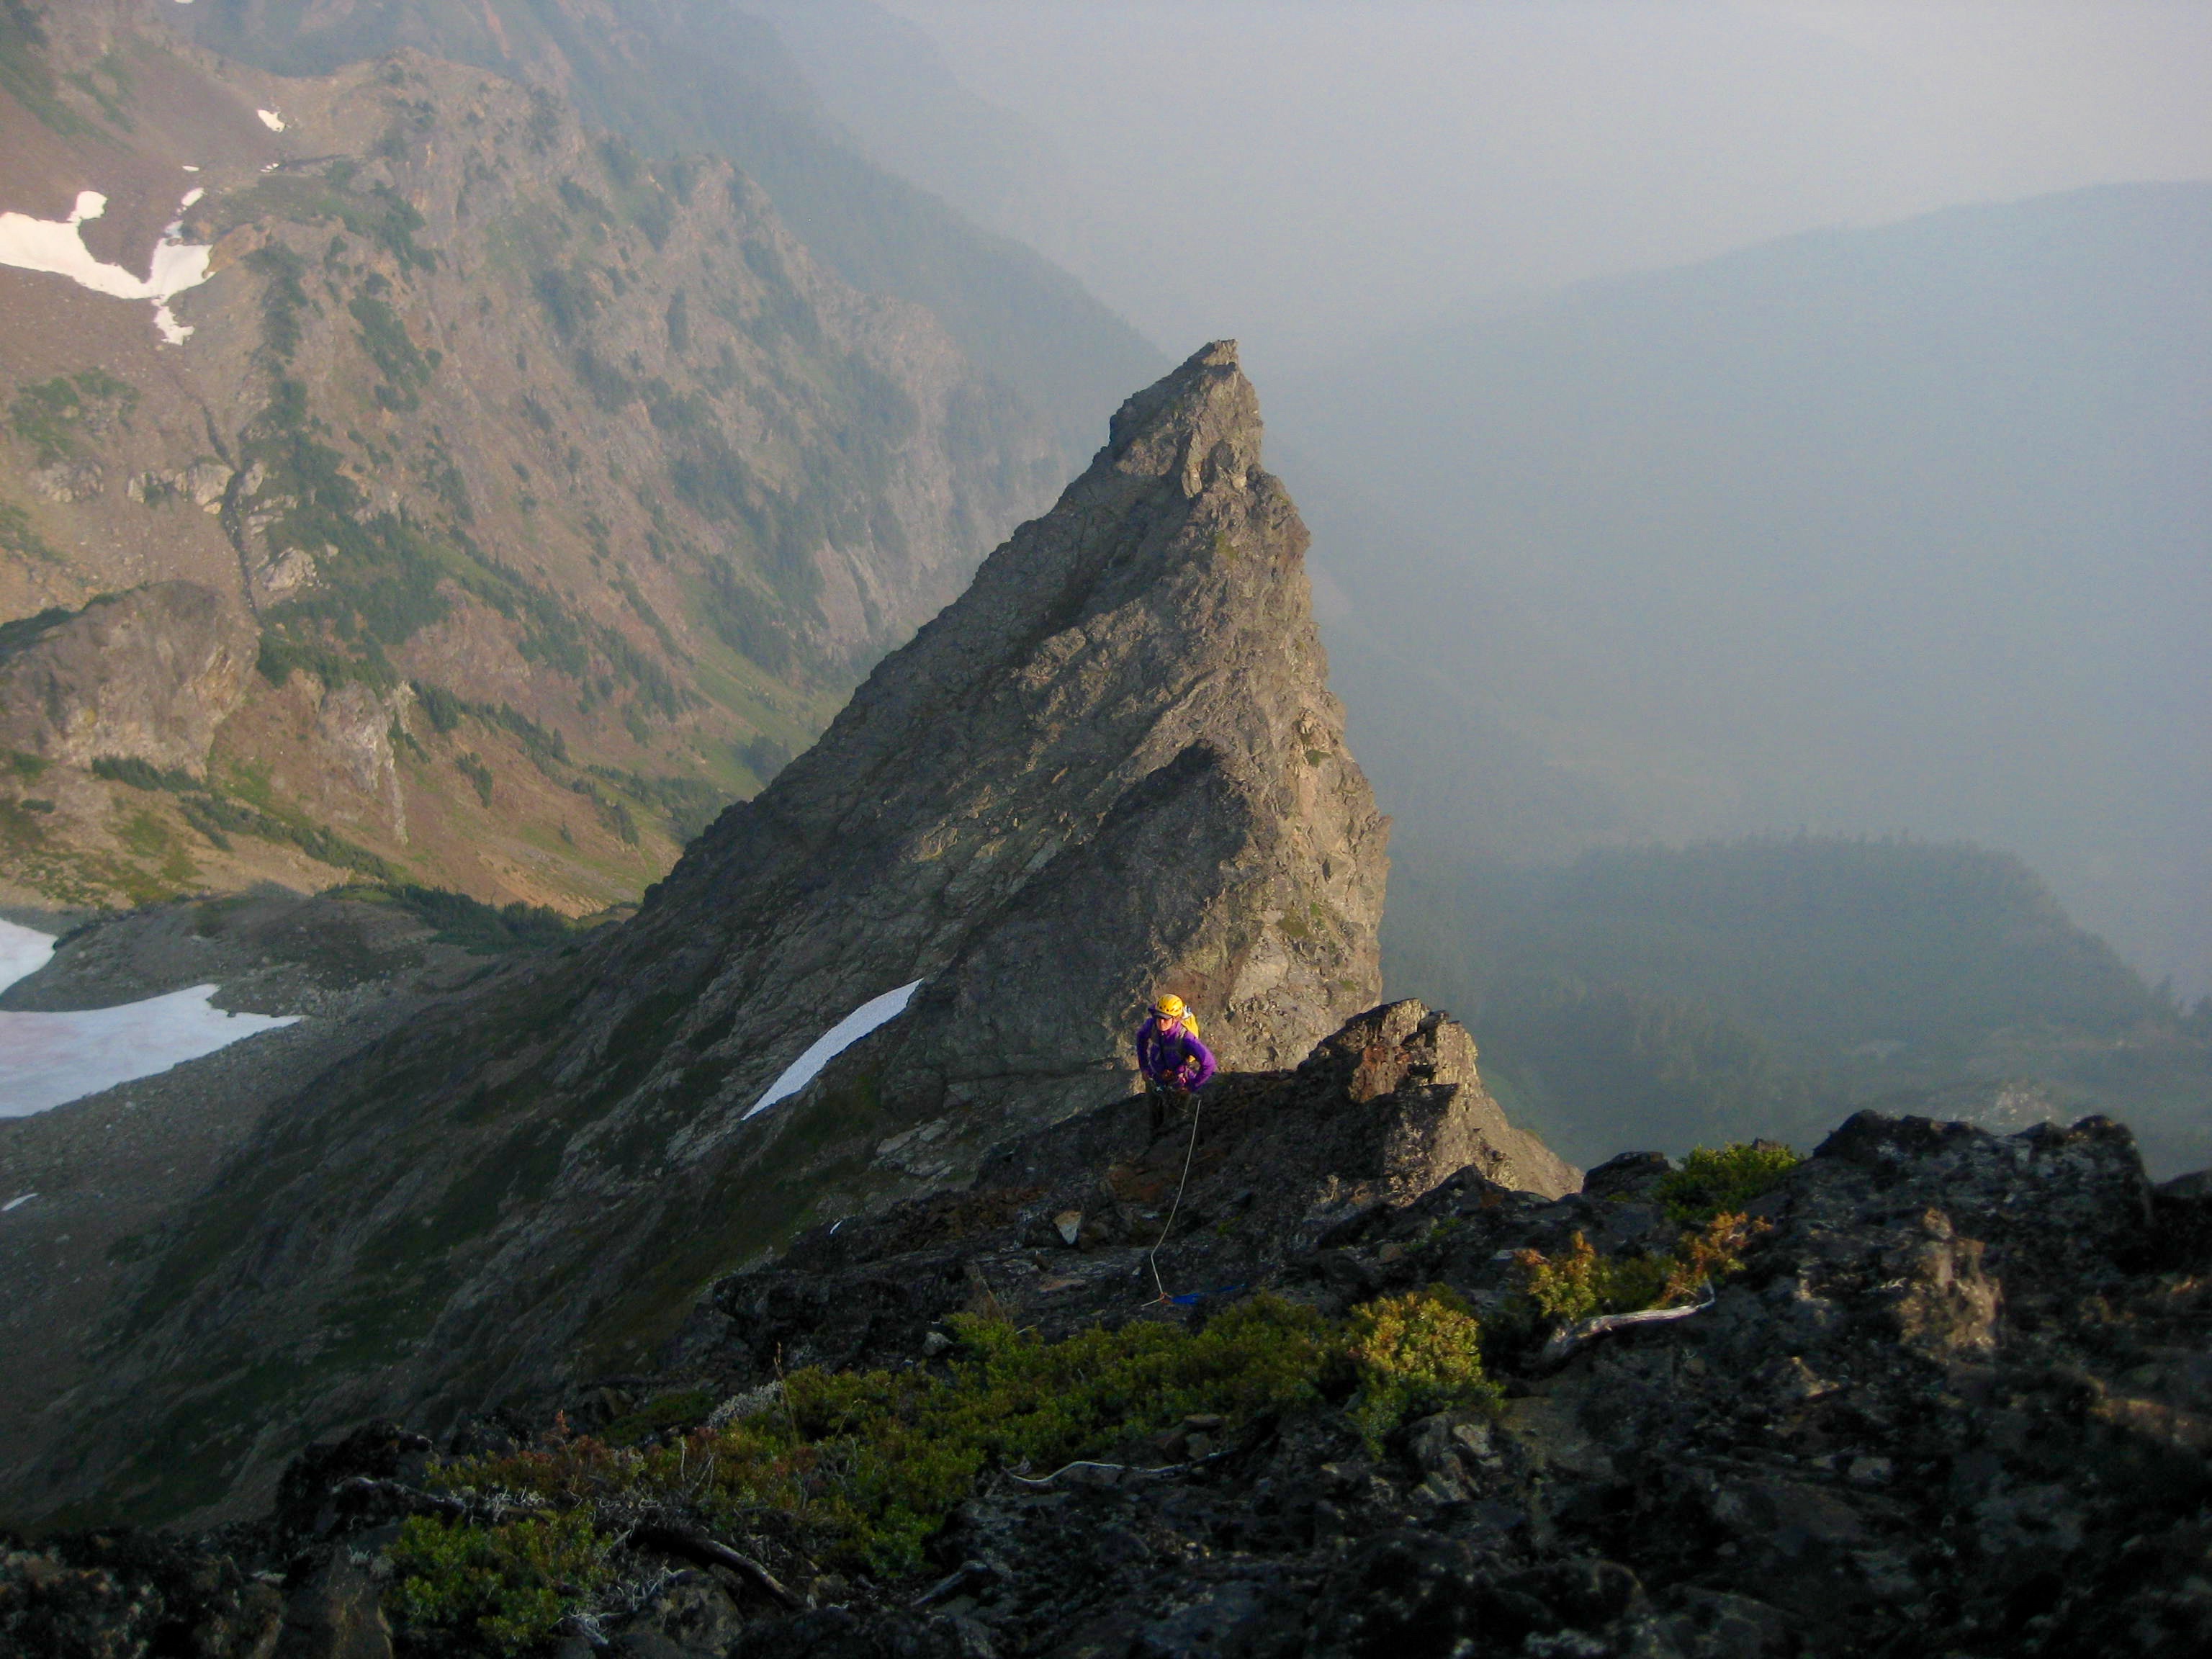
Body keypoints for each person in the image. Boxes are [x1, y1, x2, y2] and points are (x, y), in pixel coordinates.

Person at [1137, 993, 1215, 1138]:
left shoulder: (1186, 1039)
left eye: (1166, 1019)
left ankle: (1168, 1145)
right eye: (1158, 1018)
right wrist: (1144, 1068)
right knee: (1154, 1114)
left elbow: (1209, 1063)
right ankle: (1154, 1142)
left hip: (1178, 1083)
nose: (1161, 1023)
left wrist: (1191, 1087)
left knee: (1176, 1121)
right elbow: (1141, 1039)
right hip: (1156, 1078)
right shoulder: (1151, 1026)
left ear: (1176, 1019)